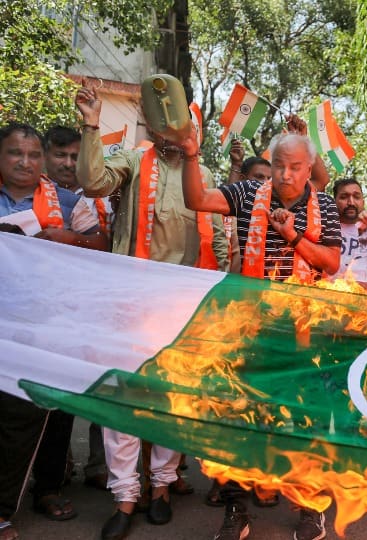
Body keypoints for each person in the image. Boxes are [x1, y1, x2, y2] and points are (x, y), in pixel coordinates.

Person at [74, 84, 229, 540]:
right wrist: (91, 122)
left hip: (183, 311)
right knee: (121, 401)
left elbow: (219, 249)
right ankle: (125, 495)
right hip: (130, 302)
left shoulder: (203, 180)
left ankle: (160, 488)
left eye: (183, 126)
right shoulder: (132, 161)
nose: (175, 135)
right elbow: (91, 182)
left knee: (171, 403)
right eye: (165, 126)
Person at [179, 129, 341, 540]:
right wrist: (192, 154)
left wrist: (293, 236)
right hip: (251, 327)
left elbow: (332, 263)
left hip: (304, 332)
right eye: (280, 165)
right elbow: (196, 200)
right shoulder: (250, 193)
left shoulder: (323, 202)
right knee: (242, 418)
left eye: (296, 167)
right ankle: (237, 509)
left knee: (306, 421)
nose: (286, 175)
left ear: (310, 169)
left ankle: (310, 510)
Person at [0, 122, 108, 540]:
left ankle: (47, 489)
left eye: (31, 155)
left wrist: (63, 238)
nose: (24, 162)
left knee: (49, 412)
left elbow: (101, 244)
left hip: (50, 324)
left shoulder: (67, 202)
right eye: (14, 153)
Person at [43, 125, 112, 493]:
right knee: (55, 390)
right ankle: (58, 463)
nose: (69, 164)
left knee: (102, 385)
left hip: (97, 306)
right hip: (49, 313)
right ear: (45, 156)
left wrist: (68, 238)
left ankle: (99, 465)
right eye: (61, 155)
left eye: (76, 156)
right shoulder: (31, 194)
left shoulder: (102, 193)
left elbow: (105, 243)